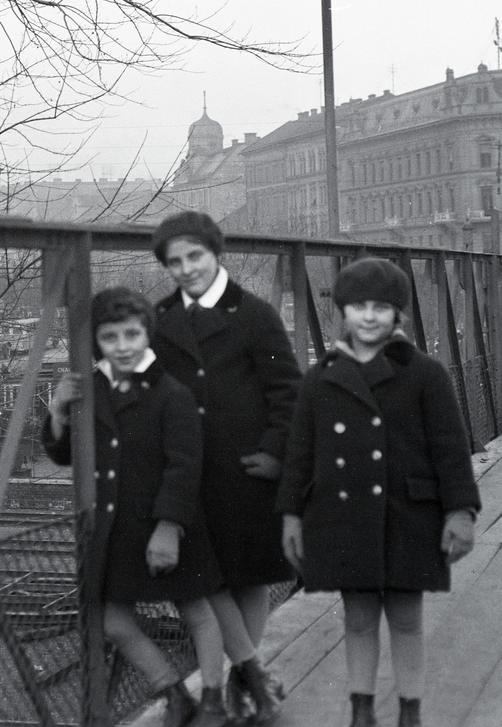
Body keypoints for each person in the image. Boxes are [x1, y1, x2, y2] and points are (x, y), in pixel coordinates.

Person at [277, 257, 481, 727]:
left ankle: (410, 711)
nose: (369, 317)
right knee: (358, 617)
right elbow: (300, 454)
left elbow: (451, 450)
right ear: (342, 314)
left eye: (382, 308)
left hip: (409, 516)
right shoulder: (320, 379)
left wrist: (461, 512)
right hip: (344, 518)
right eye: (358, 307)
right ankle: (361, 711)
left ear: (398, 317)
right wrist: (290, 514)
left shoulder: (426, 374)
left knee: (407, 617)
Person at [44, 286, 229, 727]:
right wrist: (58, 413)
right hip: (117, 529)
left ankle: (215, 701)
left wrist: (168, 529)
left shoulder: (172, 394)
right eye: (111, 338)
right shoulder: (93, 391)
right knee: (110, 620)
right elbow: (65, 454)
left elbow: (185, 467)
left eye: (132, 335)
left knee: (196, 611)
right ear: (98, 343)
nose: (123, 347)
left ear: (147, 335)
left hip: (168, 524)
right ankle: (174, 691)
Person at [149, 212, 298, 724]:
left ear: (217, 255)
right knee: (206, 578)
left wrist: (275, 453)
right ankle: (253, 672)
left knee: (250, 577)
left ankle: (241, 678)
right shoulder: (158, 319)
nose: (187, 269)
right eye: (175, 261)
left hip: (246, 470)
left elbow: (287, 391)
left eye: (196, 256)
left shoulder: (253, 315)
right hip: (190, 473)